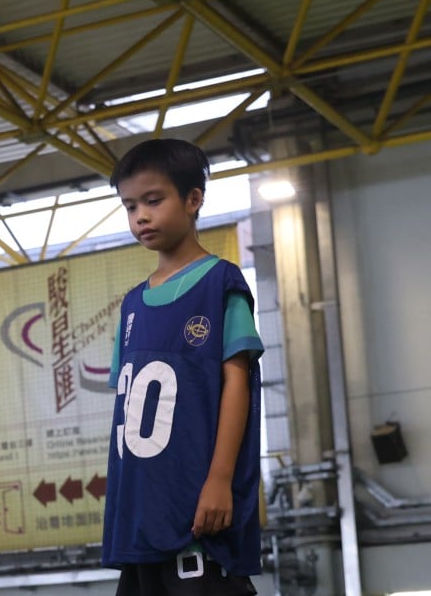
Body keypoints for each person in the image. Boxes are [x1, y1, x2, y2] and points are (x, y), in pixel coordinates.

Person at [101, 138, 264, 596]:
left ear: (193, 199)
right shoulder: (132, 305)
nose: (141, 217)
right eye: (130, 206)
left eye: (154, 201)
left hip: (195, 510)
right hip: (139, 518)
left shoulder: (219, 282)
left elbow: (238, 385)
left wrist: (219, 480)